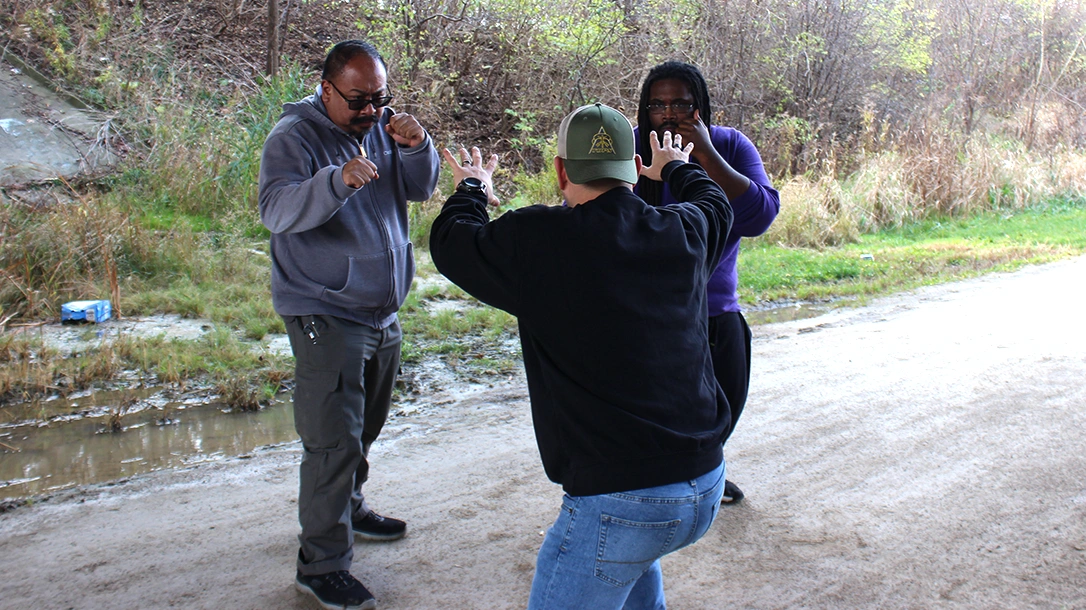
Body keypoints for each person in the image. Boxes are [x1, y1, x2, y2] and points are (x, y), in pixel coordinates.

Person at [430, 103, 733, 609]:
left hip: (624, 502)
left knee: (621, 549)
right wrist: (675, 166)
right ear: (633, 170)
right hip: (705, 486)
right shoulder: (683, 231)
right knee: (634, 567)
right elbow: (715, 202)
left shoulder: (536, 240)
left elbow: (451, 242)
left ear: (561, 170)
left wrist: (474, 187)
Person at [257, 39, 440, 610]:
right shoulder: (294, 138)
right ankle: (321, 564)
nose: (371, 110)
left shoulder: (384, 126)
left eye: (380, 97)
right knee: (333, 441)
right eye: (359, 99)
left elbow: (421, 187)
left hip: (380, 309)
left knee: (364, 427)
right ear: (326, 88)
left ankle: (349, 508)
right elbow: (277, 210)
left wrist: (416, 147)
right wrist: (338, 181)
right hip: (324, 309)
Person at [634, 61, 781, 504]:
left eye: (682, 102)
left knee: (727, 397)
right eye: (658, 104)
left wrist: (705, 155)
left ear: (701, 106)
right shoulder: (632, 148)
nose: (670, 113)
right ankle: (670, 478)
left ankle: (703, 470)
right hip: (648, 308)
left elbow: (760, 216)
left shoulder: (730, 145)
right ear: (644, 110)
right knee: (652, 405)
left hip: (715, 305)